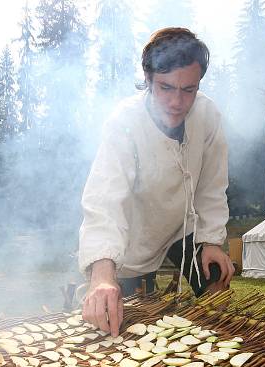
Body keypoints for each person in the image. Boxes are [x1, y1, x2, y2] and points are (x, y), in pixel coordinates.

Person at [78, 27, 235, 336]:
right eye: (166, 87)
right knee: (118, 321)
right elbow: (105, 199)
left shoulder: (208, 115)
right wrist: (102, 274)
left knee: (217, 282)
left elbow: (213, 187)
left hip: (184, 227)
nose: (177, 101)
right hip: (135, 235)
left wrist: (212, 242)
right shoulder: (124, 121)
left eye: (188, 89)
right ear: (148, 79)